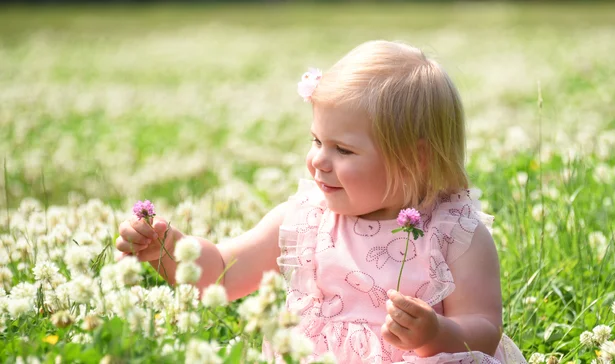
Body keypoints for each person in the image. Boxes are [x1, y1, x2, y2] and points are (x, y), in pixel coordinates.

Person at [116, 40, 527, 364]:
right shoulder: (305, 219)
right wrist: (170, 250)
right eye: (317, 141)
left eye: (343, 150)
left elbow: (484, 326)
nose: (318, 161)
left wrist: (437, 334)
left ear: (415, 159)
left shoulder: (454, 233)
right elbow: (223, 271)